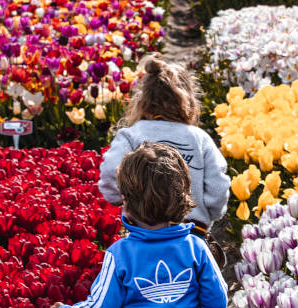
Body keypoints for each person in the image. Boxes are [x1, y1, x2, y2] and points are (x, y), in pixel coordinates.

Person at [48, 142, 228, 308]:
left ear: (126, 201)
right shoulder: (196, 248)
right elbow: (217, 299)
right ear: (183, 197)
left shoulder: (119, 254)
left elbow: (100, 307)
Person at [98, 54, 230, 268]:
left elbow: (110, 175)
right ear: (188, 101)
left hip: (142, 233)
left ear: (142, 101)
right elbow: (218, 185)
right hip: (191, 234)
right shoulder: (199, 138)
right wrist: (211, 215)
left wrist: (119, 199)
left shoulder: (132, 136)